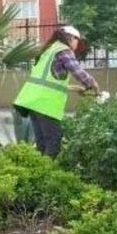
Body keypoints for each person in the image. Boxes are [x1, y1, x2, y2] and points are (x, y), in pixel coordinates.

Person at [13, 26, 100, 157]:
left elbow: (47, 81)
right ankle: (47, 173)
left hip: (33, 102)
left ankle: (39, 171)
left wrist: (74, 88)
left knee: (42, 143)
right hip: (45, 104)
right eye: (77, 40)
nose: (77, 44)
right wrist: (94, 85)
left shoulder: (48, 50)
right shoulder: (63, 50)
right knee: (54, 142)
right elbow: (77, 71)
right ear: (71, 37)